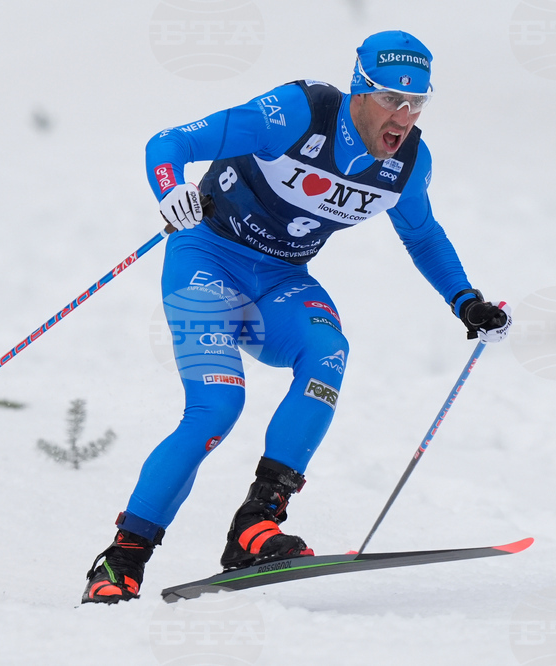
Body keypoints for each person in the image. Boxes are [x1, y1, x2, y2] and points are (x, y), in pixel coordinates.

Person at [82, 30, 512, 604]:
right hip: (207, 259)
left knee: (327, 351)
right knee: (218, 405)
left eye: (416, 103)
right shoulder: (296, 113)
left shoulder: (408, 162)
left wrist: (466, 299)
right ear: (360, 91)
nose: (403, 116)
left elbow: (423, 235)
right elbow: (169, 143)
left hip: (281, 280)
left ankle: (257, 524)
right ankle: (122, 559)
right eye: (390, 99)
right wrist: (170, 191)